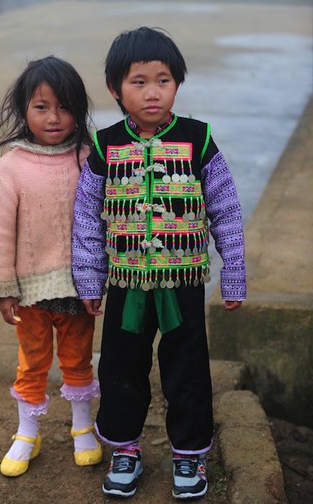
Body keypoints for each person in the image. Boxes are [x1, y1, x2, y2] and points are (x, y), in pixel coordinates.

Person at [72, 27, 246, 499]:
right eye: (139, 81)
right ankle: (125, 447)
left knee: (187, 368)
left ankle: (189, 455)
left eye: (164, 80)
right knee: (121, 369)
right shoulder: (104, 146)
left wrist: (233, 274)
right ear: (115, 88)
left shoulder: (198, 139)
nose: (152, 92)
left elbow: (225, 210)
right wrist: (90, 277)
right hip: (127, 283)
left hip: (183, 281)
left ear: (177, 83)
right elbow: (87, 219)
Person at [0, 56, 102, 477]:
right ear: (23, 110)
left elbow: (101, 223)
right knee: (32, 362)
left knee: (78, 358)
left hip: (77, 287)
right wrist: (3, 287)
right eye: (41, 107)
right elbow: (1, 234)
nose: (54, 117)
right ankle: (26, 432)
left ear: (78, 111)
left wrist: (100, 278)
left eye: (65, 107)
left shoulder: (88, 158)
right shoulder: (11, 167)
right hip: (30, 291)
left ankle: (83, 426)